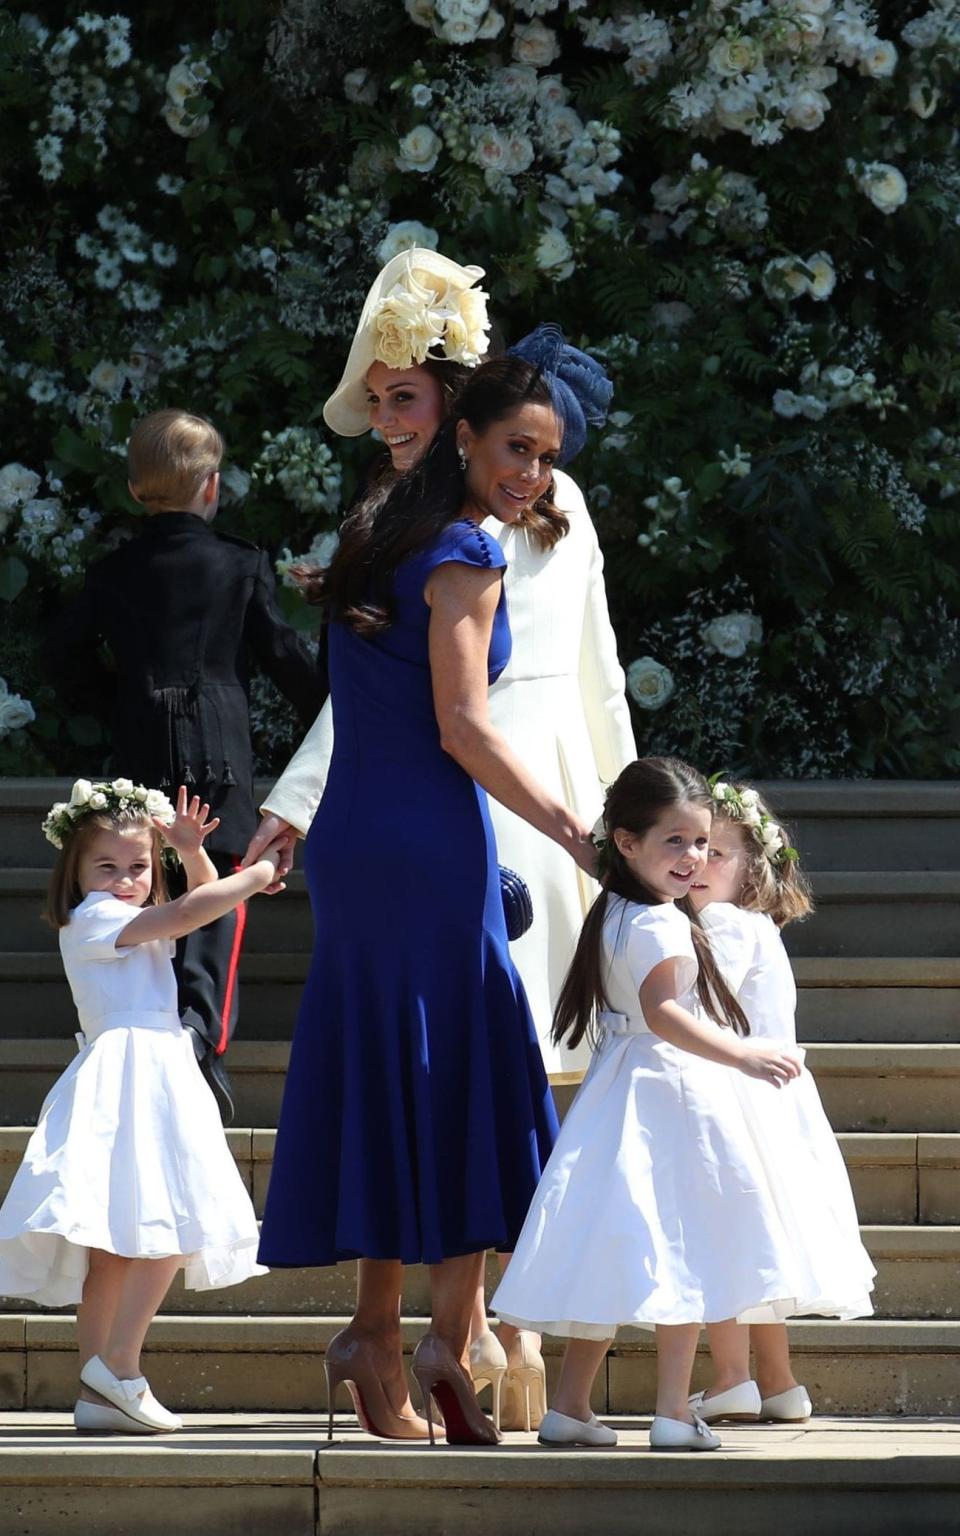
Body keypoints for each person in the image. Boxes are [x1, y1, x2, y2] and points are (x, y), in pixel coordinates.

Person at [251, 250, 634, 1430]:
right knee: (465, 1067)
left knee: (392, 1064)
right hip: (432, 829)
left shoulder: (375, 525)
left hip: (366, 837)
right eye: (516, 448)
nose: (531, 472)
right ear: (469, 436)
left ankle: (382, 1336)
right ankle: (441, 1343)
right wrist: (584, 834)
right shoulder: (464, 551)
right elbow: (465, 726)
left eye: (546, 455)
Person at [491, 756, 831, 1452]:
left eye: (702, 842)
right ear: (626, 842)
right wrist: (743, 1052)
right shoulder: (664, 923)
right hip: (672, 1090)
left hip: (618, 1090)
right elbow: (665, 1012)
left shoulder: (615, 909)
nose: (693, 857)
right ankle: (674, 1411)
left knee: (612, 1244)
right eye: (674, 840)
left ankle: (571, 1406)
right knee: (683, 1246)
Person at [43, 410, 323, 1123]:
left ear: (138, 490)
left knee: (150, 888)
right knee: (217, 899)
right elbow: (285, 657)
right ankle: (200, 1034)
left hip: (140, 751)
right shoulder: (239, 561)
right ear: (212, 485)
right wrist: (334, 710)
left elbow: (61, 655)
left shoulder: (113, 569)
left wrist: (114, 701)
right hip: (220, 751)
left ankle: (165, 1030)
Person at [0, 779, 286, 1435]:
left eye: (137, 867)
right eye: (107, 866)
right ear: (75, 873)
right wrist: (261, 871)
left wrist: (189, 851)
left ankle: (98, 1391)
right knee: (171, 1223)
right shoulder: (96, 918)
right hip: (136, 1071)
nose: (125, 878)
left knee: (118, 1249)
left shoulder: (125, 917)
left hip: (149, 1067)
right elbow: (192, 913)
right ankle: (120, 1369)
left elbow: (196, 903)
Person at [686, 778, 875, 1426]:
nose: (700, 863)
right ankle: (779, 1381)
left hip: (737, 1099)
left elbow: (699, 1009)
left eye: (719, 853)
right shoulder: (755, 925)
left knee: (727, 1241)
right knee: (759, 1248)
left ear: (751, 870)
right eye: (695, 847)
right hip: (774, 1104)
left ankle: (733, 1376)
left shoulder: (720, 923)